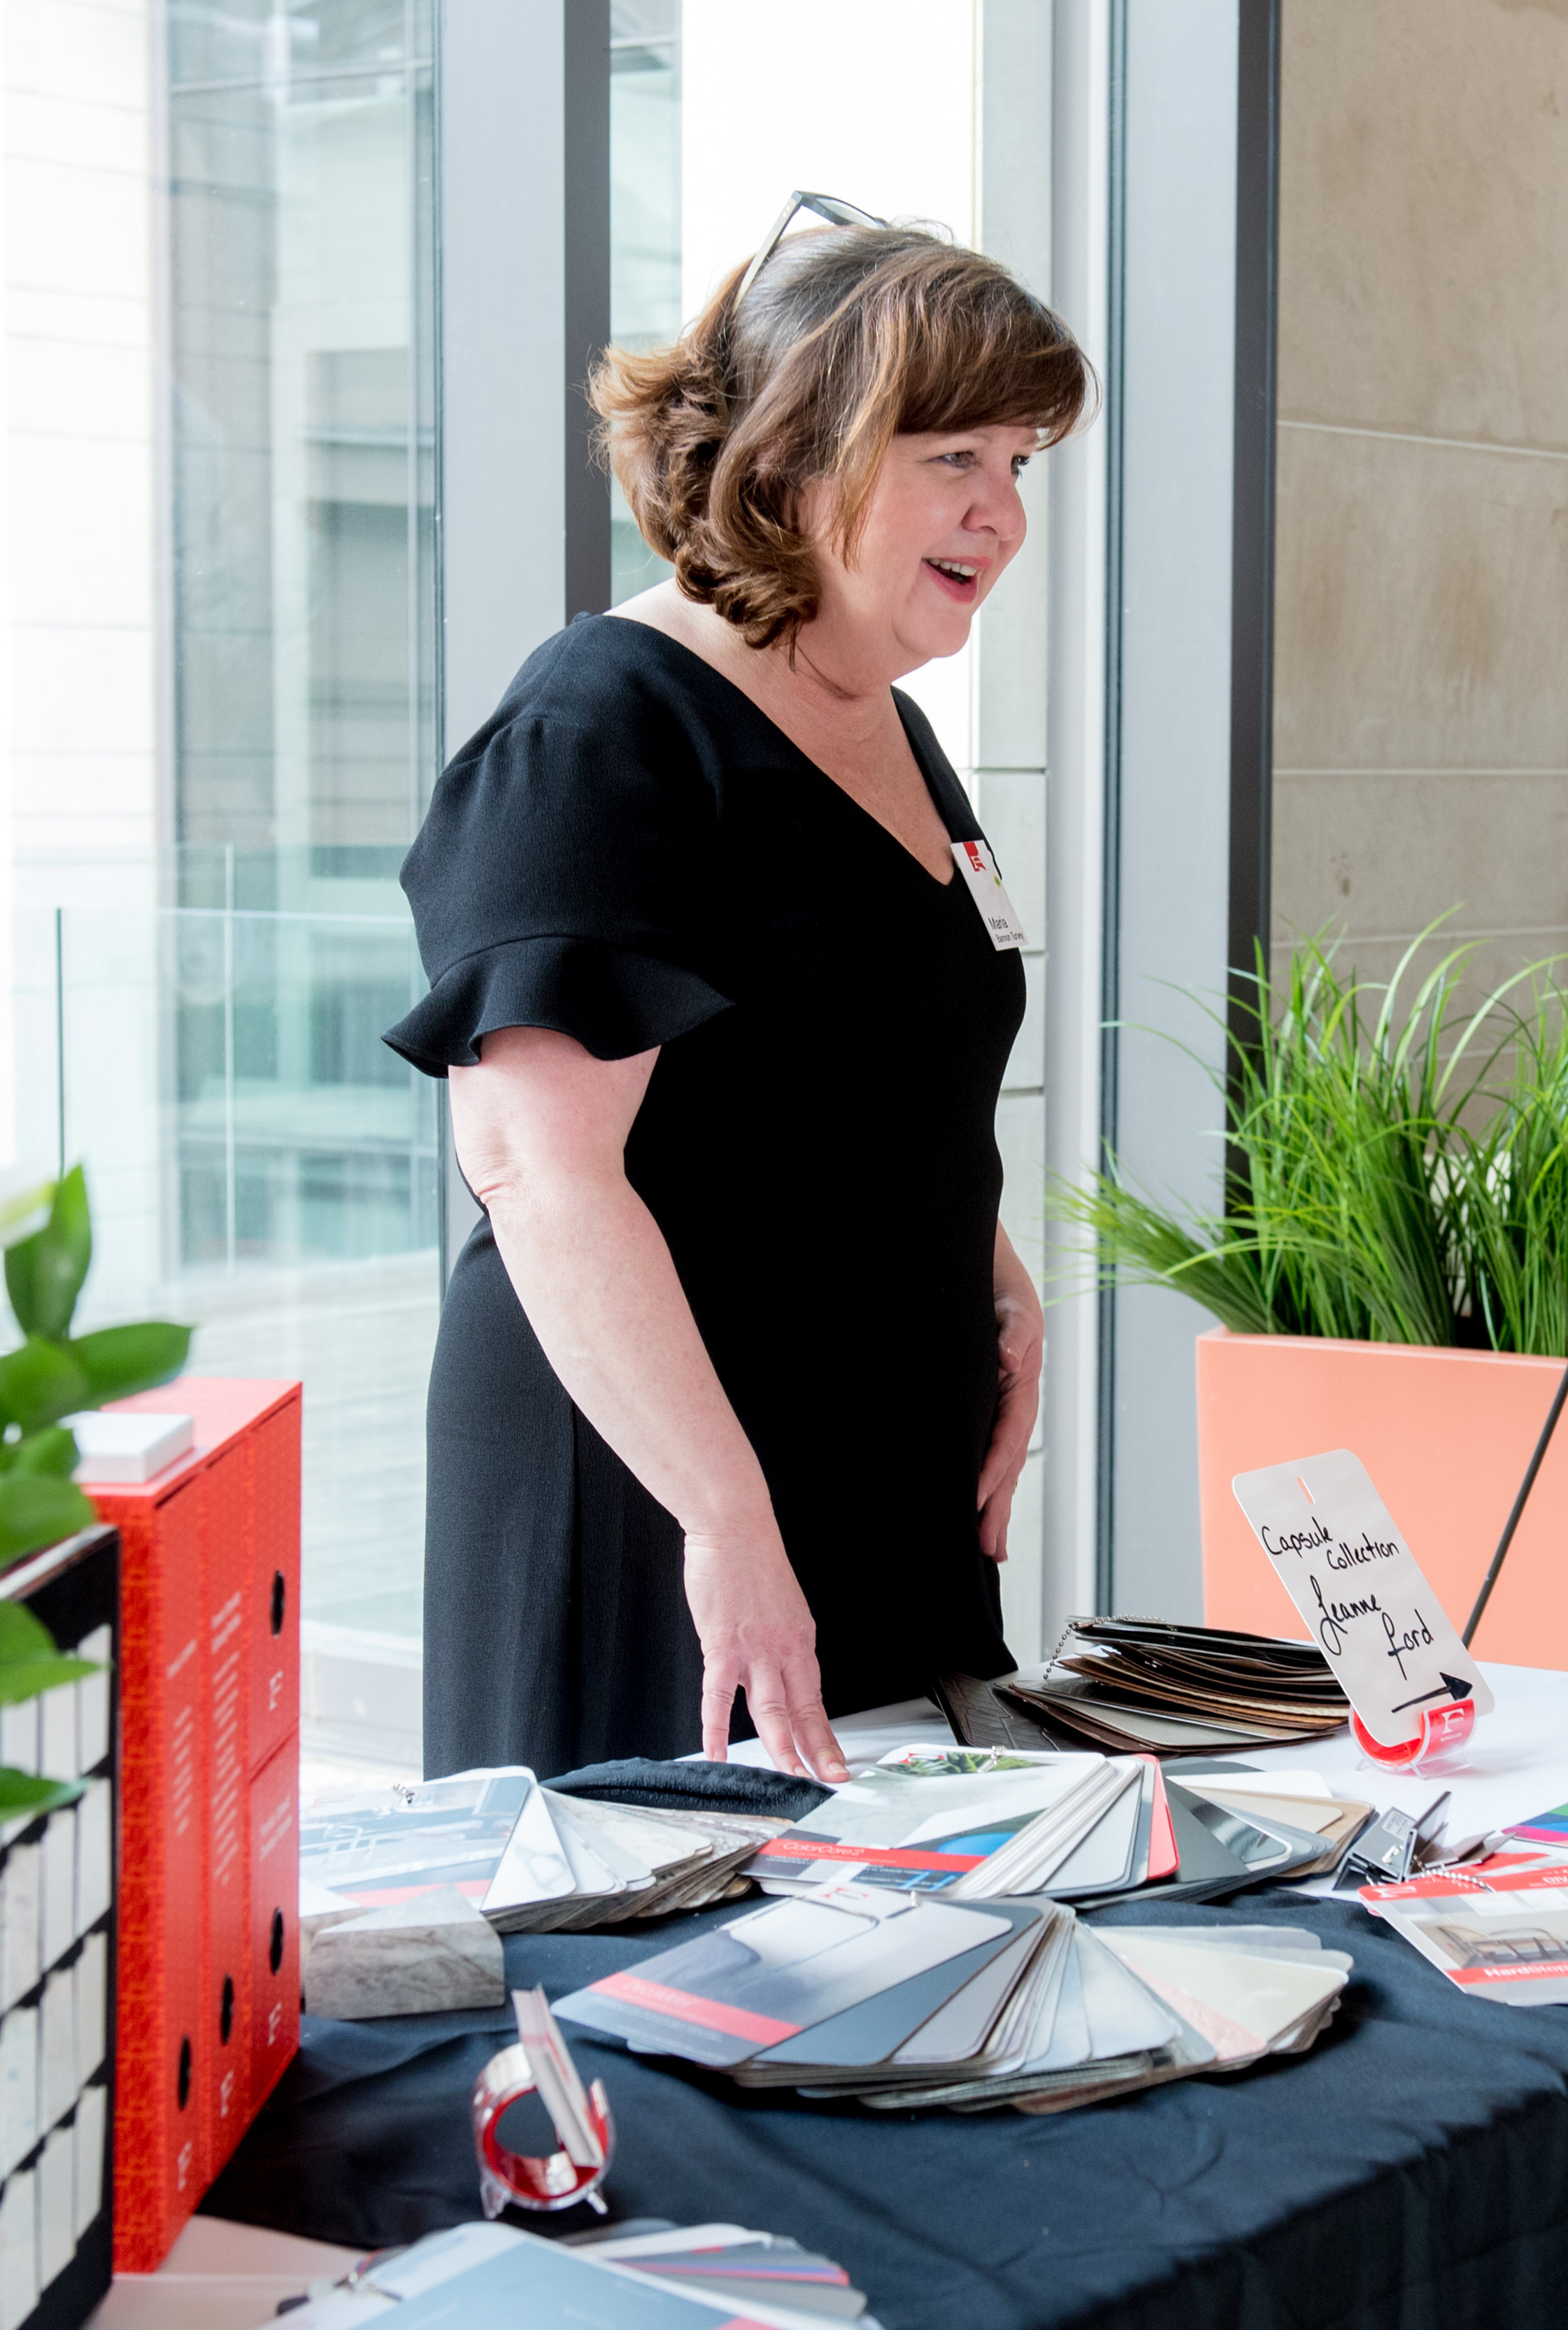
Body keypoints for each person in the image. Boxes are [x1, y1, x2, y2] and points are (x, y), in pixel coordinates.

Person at [383, 200, 1088, 1782]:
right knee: (672, 1915)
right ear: (795, 461)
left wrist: (991, 1280)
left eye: (1019, 462)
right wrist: (724, 1519)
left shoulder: (886, 723)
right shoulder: (600, 729)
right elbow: (536, 1169)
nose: (1003, 515)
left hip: (863, 1482)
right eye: (955, 458)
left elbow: (856, 1069)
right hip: (659, 1497)